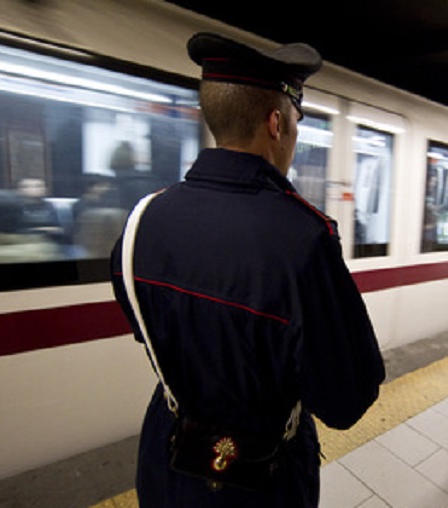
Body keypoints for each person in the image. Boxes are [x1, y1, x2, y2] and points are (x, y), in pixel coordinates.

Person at [110, 32, 385, 507]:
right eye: (296, 123)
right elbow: (346, 400)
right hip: (261, 476)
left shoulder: (142, 220)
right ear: (276, 124)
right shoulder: (304, 241)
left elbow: (146, 326)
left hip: (166, 458)